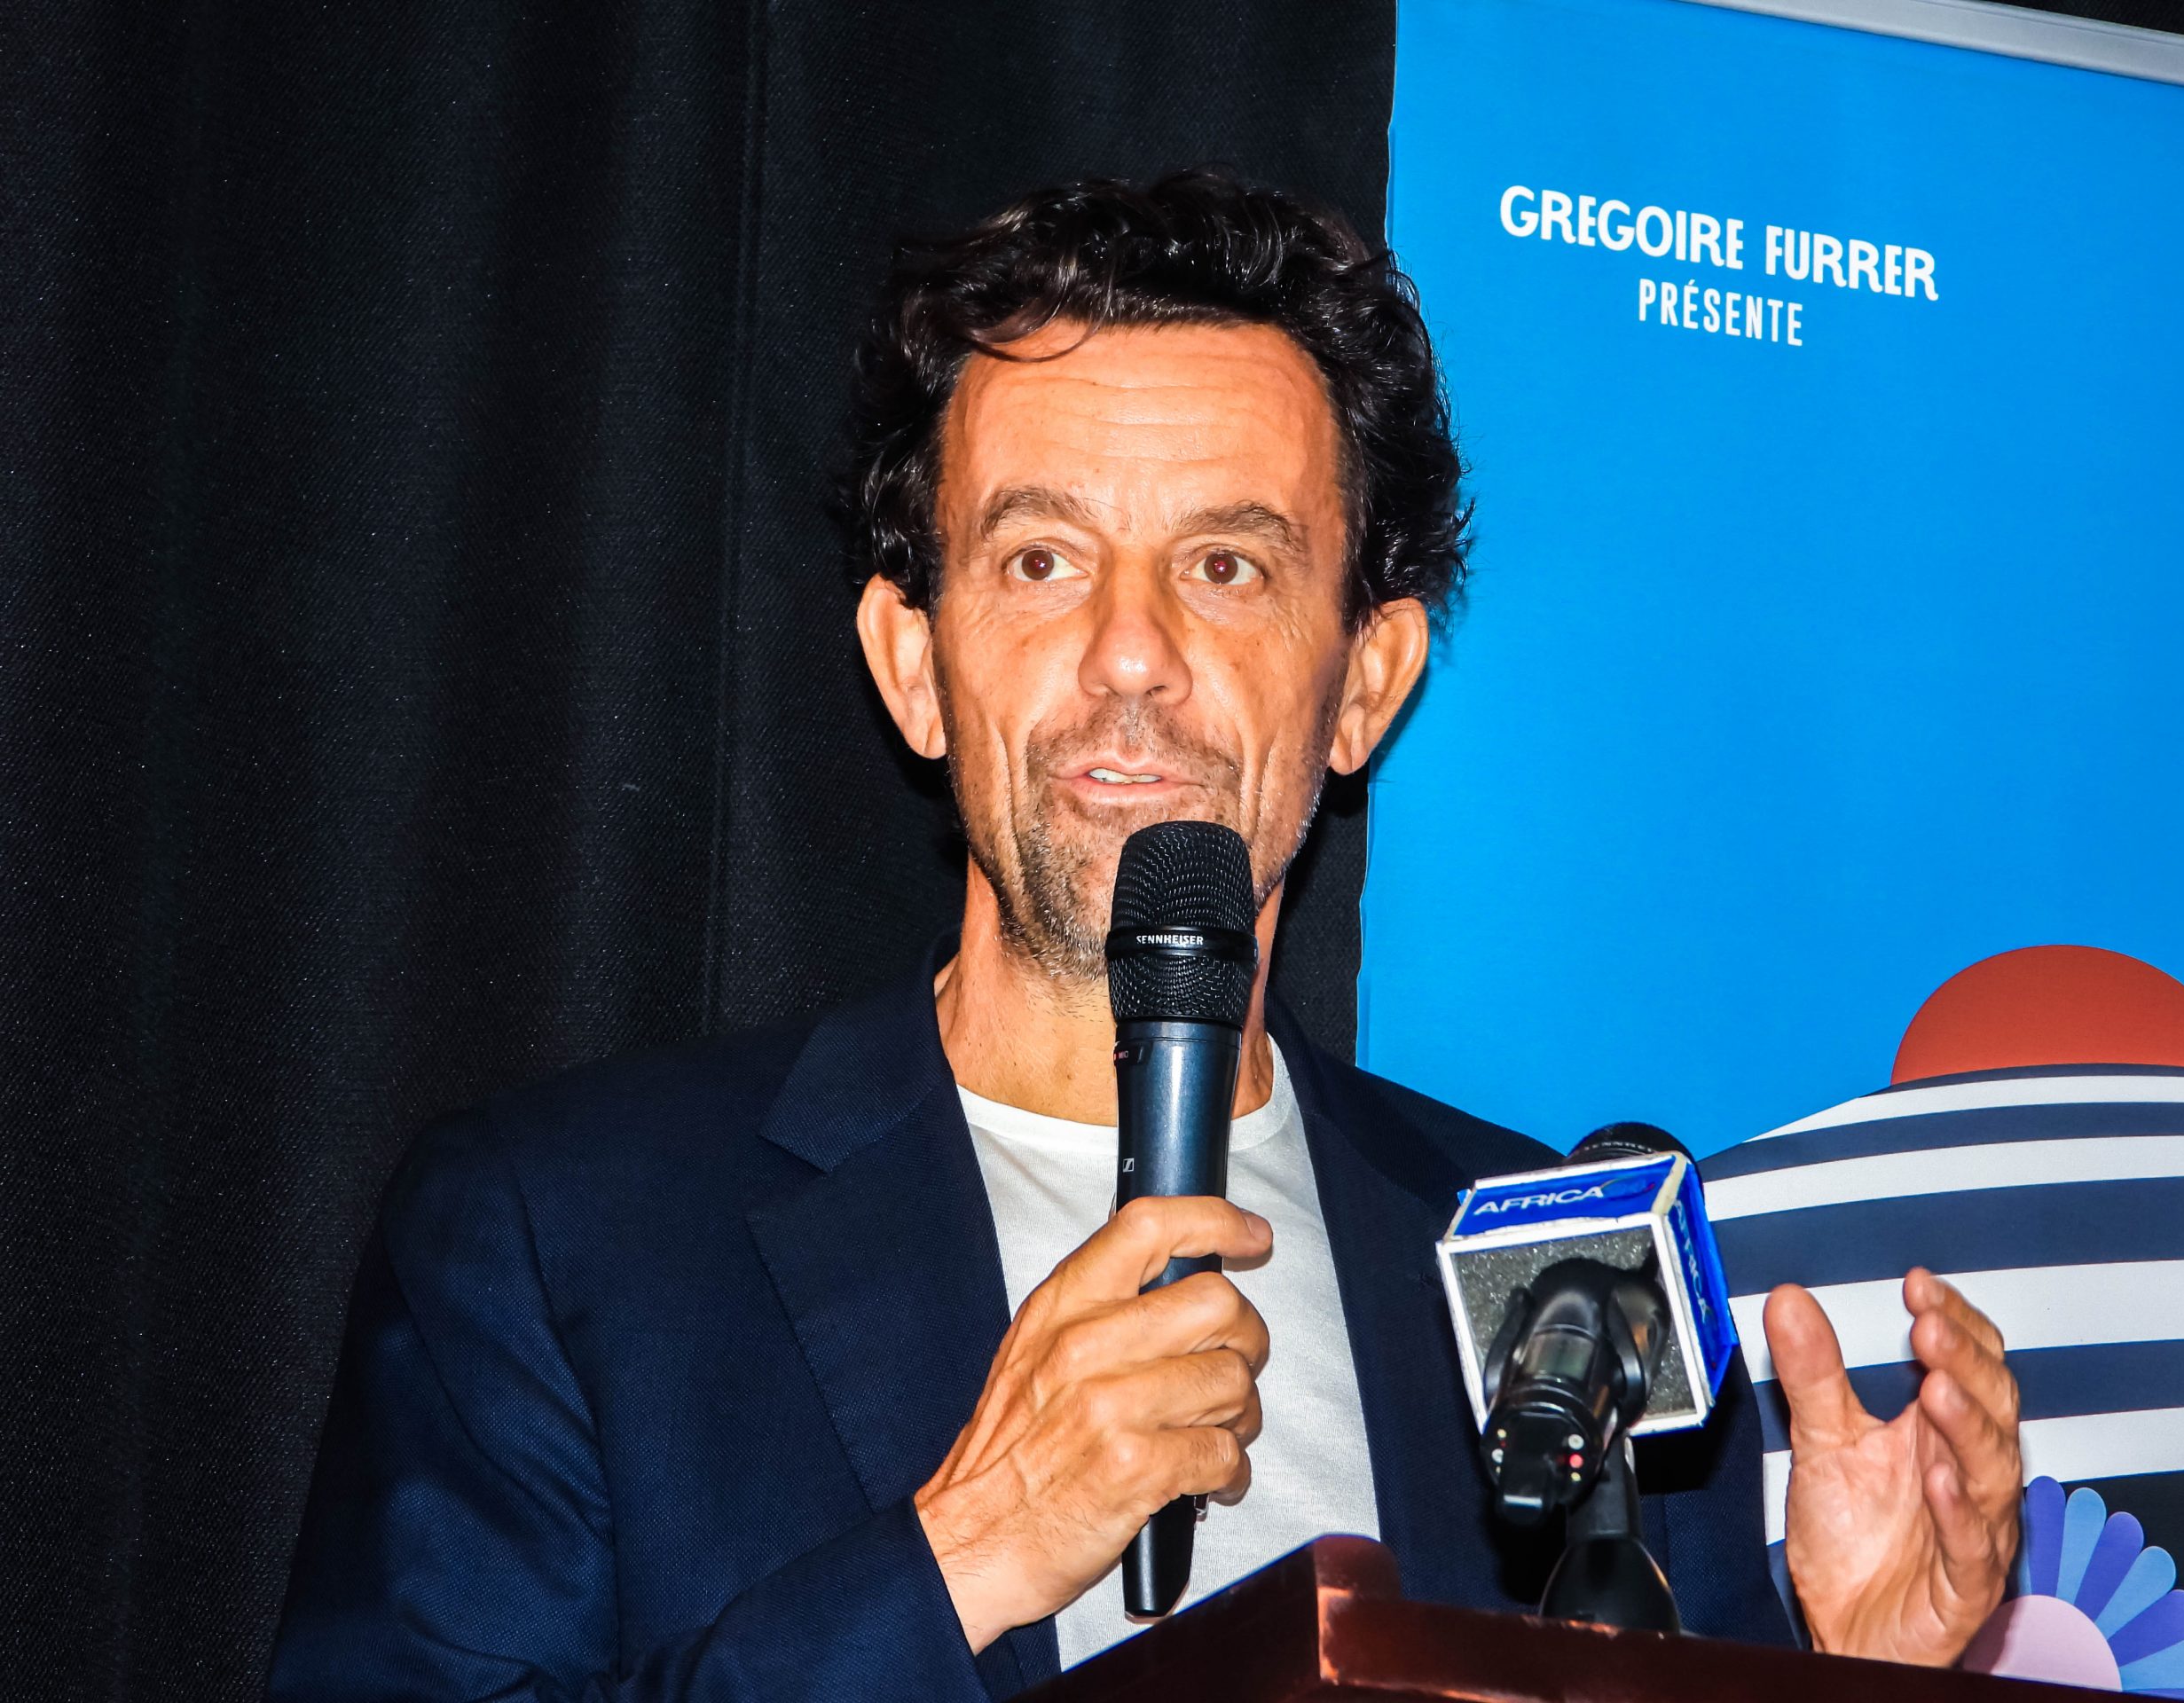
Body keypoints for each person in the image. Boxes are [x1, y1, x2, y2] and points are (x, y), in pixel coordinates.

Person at [268, 171, 2023, 1702]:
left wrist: (1854, 1676)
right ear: (912, 664)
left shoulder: (1555, 1268)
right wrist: (970, 1547)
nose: (1130, 654)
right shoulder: (563, 1239)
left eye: (1225, 566)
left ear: (1364, 683)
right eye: (1041, 560)